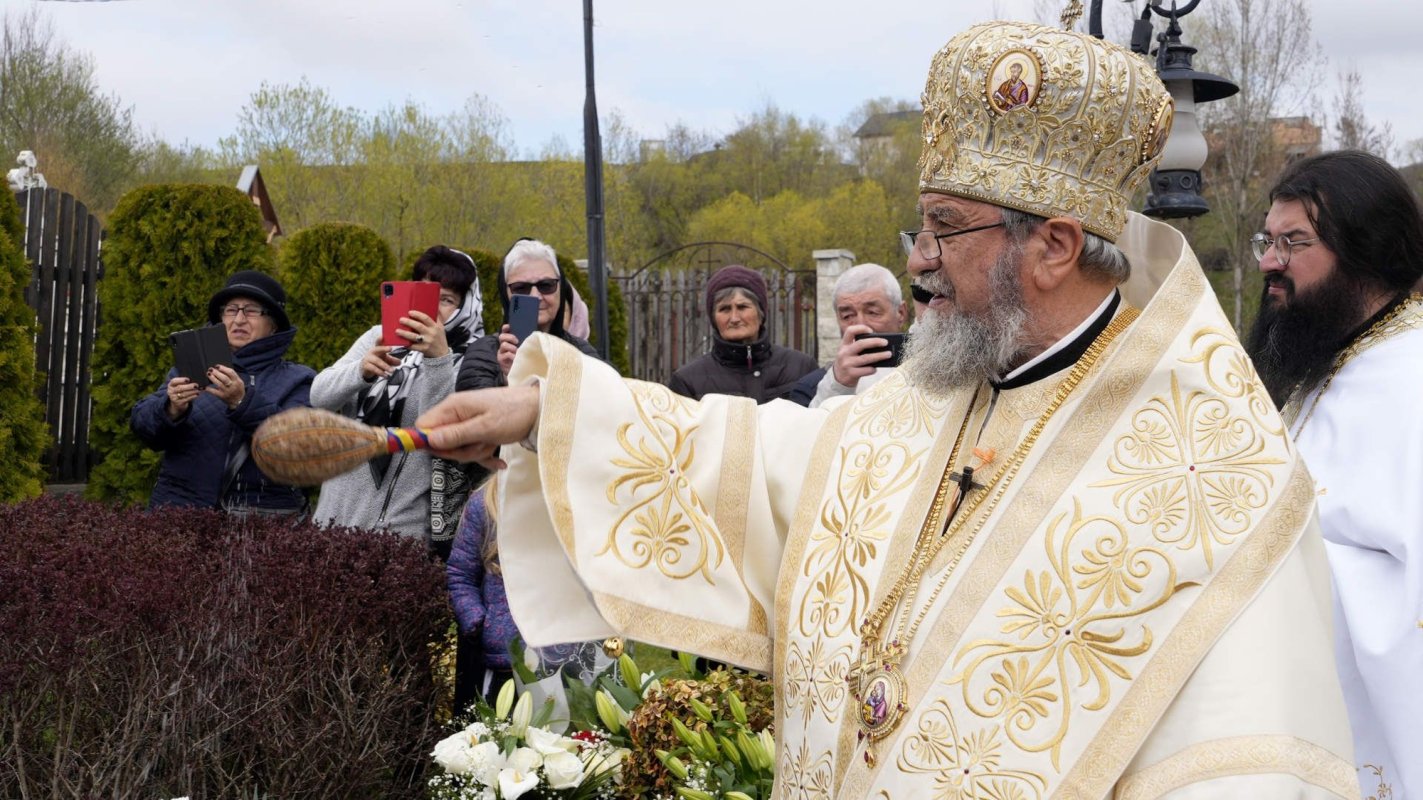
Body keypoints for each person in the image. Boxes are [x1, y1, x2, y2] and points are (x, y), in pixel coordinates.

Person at [416, 20, 1357, 797]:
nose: (915, 258)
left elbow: (1246, 762)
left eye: (945, 228)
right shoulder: (929, 395)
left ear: (1056, 245)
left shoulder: (1215, 482)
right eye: (924, 225)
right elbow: (763, 459)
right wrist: (553, 412)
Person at [1244, 150, 1423, 799]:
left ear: (1366, 250)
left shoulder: (1412, 381)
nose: (1268, 261)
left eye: (1294, 242)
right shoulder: (1320, 366)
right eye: (1268, 239)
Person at [310, 245, 483, 542]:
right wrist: (360, 372)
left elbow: (438, 431)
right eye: (427, 295)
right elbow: (319, 396)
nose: (434, 309)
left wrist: (438, 358)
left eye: (447, 300)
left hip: (401, 532)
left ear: (467, 307)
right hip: (332, 519)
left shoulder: (471, 360)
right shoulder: (378, 336)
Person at [131, 270, 313, 515]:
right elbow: (143, 429)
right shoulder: (191, 366)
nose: (238, 320)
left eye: (250, 311)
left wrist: (242, 401)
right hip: (178, 515)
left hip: (259, 525)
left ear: (274, 325)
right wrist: (171, 408)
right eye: (231, 310)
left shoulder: (299, 379)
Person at [447, 475, 609, 717]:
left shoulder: (583, 500)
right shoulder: (486, 503)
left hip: (573, 663)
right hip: (506, 665)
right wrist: (479, 621)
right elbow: (460, 574)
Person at [456, 239, 598, 394]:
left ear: (560, 290)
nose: (536, 296)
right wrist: (507, 378)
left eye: (546, 285)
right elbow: (475, 413)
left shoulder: (583, 353)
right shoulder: (483, 354)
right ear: (506, 295)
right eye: (521, 288)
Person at [668, 264, 817, 403]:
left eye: (742, 307)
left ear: (760, 313)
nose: (734, 318)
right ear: (713, 318)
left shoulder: (801, 367)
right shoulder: (687, 382)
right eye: (724, 309)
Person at [789, 263, 908, 407]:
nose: (860, 326)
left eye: (873, 312)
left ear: (901, 313)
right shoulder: (811, 388)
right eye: (847, 316)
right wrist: (839, 385)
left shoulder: (926, 373)